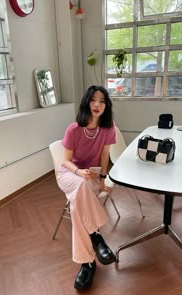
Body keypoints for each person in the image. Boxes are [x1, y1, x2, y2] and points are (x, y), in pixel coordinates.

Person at [57, 85, 117, 290]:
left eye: (102, 100)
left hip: (89, 176)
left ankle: (87, 263)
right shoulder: (74, 129)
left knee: (76, 208)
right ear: (86, 102)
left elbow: (104, 156)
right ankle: (97, 237)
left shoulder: (108, 128)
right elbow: (65, 162)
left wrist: (101, 181)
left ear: (106, 105)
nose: (97, 104)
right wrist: (78, 173)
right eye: (93, 100)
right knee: (81, 185)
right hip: (69, 175)